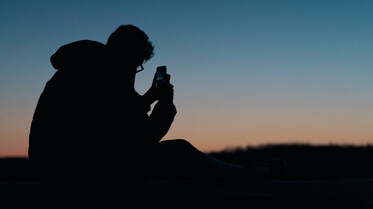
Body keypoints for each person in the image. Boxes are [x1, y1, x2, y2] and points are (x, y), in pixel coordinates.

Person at [28, 25, 285, 188]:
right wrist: (164, 103)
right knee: (180, 151)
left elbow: (111, 122)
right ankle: (250, 175)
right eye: (137, 63)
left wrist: (149, 97)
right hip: (71, 172)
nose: (136, 70)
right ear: (126, 55)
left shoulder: (85, 67)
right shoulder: (105, 75)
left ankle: (243, 172)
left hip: (54, 166)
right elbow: (142, 135)